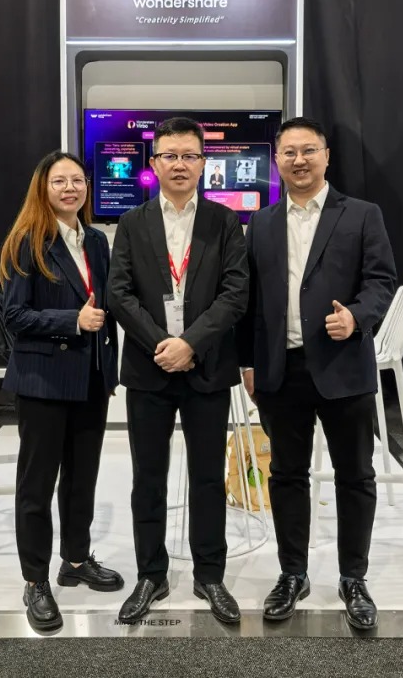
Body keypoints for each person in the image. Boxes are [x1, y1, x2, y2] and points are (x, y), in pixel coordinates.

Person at [239, 117, 396, 630]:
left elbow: (381, 281)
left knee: (355, 476)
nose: (299, 160)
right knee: (286, 476)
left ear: (327, 156)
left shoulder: (362, 214)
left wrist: (357, 317)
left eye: (309, 150)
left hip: (342, 367)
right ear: (276, 161)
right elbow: (249, 301)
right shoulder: (261, 222)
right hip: (280, 371)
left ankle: (354, 578)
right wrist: (248, 362)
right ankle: (293, 573)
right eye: (289, 152)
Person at [108, 117, 249, 625]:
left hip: (206, 367)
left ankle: (210, 574)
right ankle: (152, 574)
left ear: (204, 163)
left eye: (190, 155)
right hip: (149, 370)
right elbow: (118, 293)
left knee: (208, 477)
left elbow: (236, 293)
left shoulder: (224, 222)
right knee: (148, 476)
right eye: (170, 155)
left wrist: (190, 343)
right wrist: (161, 345)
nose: (180, 164)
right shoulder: (132, 222)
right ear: (154, 163)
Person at [0, 150, 123, 631]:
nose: (70, 188)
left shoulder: (95, 240)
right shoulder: (26, 242)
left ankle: (75, 560)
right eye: (59, 181)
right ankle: (35, 580)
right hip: (44, 381)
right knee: (36, 486)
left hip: (90, 378)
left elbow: (107, 306)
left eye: (77, 180)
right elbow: (14, 316)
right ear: (43, 188)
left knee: (81, 478)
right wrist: (72, 320)